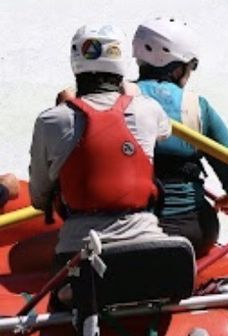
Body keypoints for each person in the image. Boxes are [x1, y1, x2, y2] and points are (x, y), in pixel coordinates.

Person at [29, 24, 172, 263]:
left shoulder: (50, 121)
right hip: (148, 247)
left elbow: (38, 198)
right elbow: (163, 133)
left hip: (79, 251)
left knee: (54, 286)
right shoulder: (148, 109)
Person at [132, 17, 228, 257]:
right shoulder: (196, 107)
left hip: (124, 230)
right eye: (192, 66)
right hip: (192, 232)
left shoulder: (113, 100)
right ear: (178, 68)